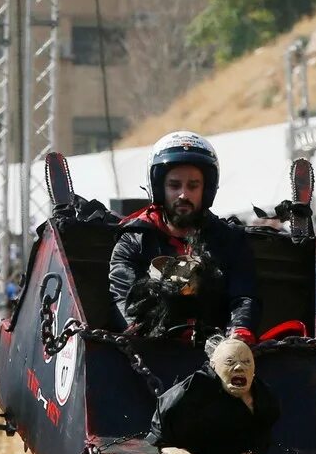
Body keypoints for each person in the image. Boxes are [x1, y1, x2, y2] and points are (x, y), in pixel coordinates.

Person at [109, 130, 259, 341]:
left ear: (205, 190)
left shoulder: (230, 239)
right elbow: (123, 300)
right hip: (149, 352)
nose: (183, 195)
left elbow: (243, 295)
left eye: (193, 186)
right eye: (174, 185)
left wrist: (239, 334)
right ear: (160, 188)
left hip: (218, 352)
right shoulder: (134, 240)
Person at [148, 335, 280, 454]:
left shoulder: (263, 398)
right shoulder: (194, 387)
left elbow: (262, 434)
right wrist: (169, 448)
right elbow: (162, 416)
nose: (239, 367)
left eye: (246, 362)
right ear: (214, 366)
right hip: (192, 451)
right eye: (230, 362)